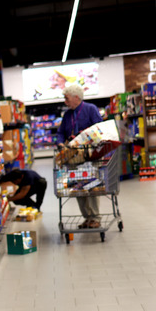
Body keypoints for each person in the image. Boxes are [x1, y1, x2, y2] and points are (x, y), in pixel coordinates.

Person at [58, 84, 103, 229]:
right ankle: (87, 218)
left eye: (67, 98)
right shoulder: (67, 115)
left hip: (89, 155)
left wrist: (84, 136)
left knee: (91, 186)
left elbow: (99, 130)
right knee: (78, 188)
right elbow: (60, 132)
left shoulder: (90, 109)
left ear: (76, 97)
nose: (65, 102)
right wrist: (60, 143)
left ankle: (95, 217)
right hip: (73, 157)